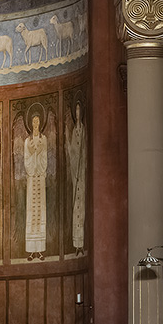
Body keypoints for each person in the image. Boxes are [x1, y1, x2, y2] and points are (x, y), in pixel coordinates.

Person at [24, 111, 48, 260]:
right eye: (33, 121)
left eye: (38, 121)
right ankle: (31, 251)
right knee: (32, 212)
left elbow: (45, 157)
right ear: (30, 123)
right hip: (32, 178)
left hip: (40, 177)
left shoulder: (44, 139)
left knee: (40, 212)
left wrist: (39, 160)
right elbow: (26, 159)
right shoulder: (27, 141)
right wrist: (33, 156)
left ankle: (39, 250)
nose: (35, 124)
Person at [66, 102, 86, 255]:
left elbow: (84, 150)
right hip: (76, 174)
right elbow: (73, 152)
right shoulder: (74, 131)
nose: (77, 113)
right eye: (76, 110)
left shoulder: (83, 130)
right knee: (76, 207)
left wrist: (82, 164)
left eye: (79, 110)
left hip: (82, 174)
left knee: (82, 207)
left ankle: (82, 244)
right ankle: (76, 244)